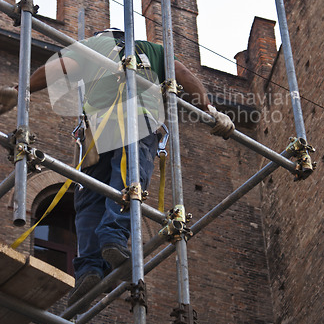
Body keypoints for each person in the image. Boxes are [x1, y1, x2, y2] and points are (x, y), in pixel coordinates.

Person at [0, 28, 234, 308]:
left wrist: (20, 89)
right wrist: (209, 110)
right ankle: (113, 237)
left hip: (96, 132)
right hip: (137, 120)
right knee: (128, 179)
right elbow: (183, 75)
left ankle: (88, 267)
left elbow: (58, 67)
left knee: (89, 197)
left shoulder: (92, 46)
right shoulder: (154, 50)